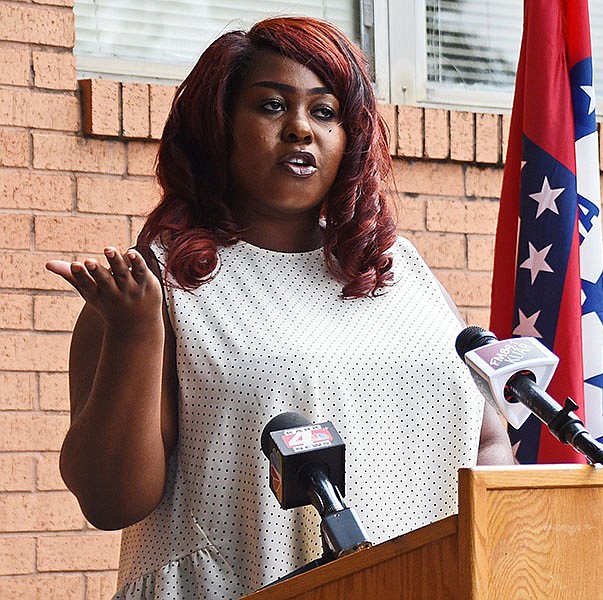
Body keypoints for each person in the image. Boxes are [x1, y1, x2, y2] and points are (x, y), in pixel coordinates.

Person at [46, 16, 513, 599]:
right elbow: (111, 499)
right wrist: (136, 335)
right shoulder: (155, 288)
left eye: (324, 111)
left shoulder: (400, 271)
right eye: (271, 106)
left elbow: (486, 441)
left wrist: (506, 556)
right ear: (218, 125)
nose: (300, 130)